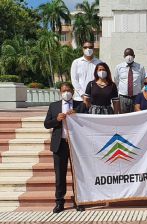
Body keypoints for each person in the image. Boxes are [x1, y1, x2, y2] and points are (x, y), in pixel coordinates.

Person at [44, 82, 85, 213]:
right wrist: (57, 119)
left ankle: (79, 201)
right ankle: (59, 202)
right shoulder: (54, 106)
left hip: (76, 145)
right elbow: (46, 124)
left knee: (78, 174)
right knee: (60, 174)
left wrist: (77, 115)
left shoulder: (80, 105)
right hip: (60, 144)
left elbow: (89, 120)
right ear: (60, 92)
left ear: (72, 91)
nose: (66, 92)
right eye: (63, 90)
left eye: (68, 90)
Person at [114, 48, 145, 113]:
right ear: (124, 56)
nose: (129, 57)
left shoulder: (140, 67)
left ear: (134, 56)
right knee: (124, 117)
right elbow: (116, 81)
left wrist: (137, 89)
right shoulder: (118, 67)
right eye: (127, 55)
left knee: (136, 116)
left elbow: (142, 81)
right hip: (123, 97)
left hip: (136, 96)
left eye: (130, 55)